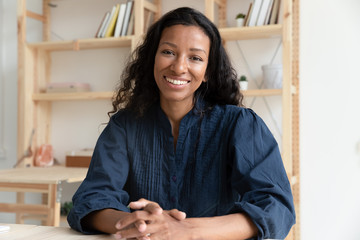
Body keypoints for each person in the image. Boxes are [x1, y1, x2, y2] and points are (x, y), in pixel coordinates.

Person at [67, 7, 295, 240]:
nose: (178, 67)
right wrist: (138, 223)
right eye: (168, 52)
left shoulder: (241, 125)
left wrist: (184, 230)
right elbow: (90, 200)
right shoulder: (124, 126)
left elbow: (276, 208)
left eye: (195, 58)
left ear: (207, 71)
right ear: (152, 59)